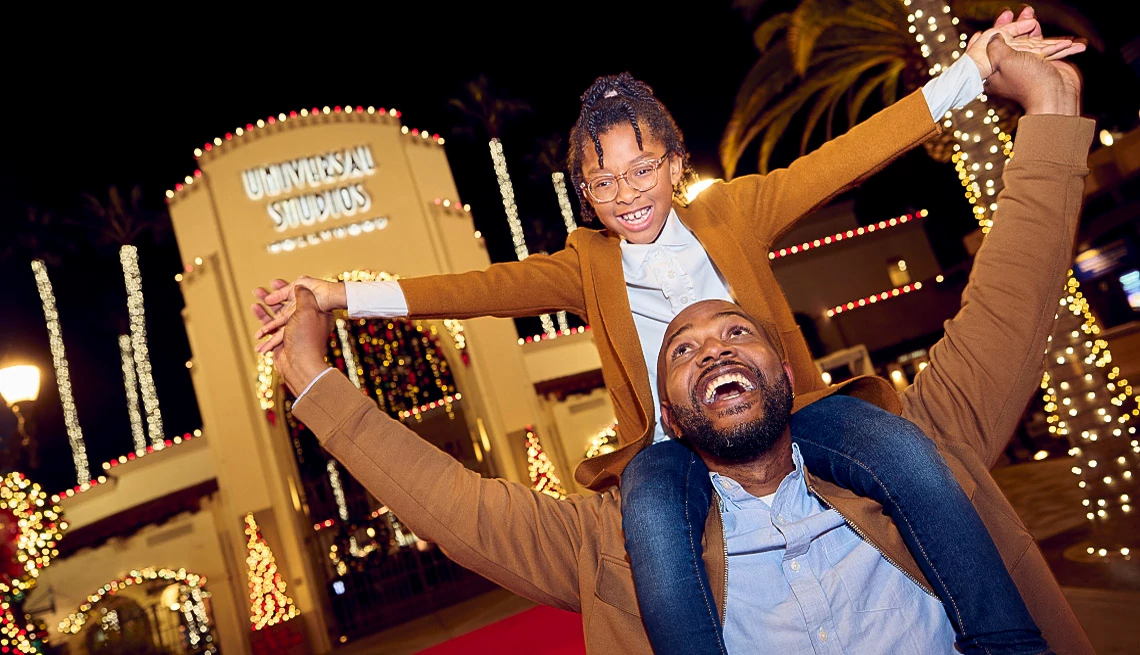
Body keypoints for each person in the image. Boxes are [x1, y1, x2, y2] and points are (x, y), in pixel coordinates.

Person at [254, 12, 1082, 655]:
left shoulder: (731, 211)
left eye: (642, 168)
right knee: (651, 531)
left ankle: (1008, 640)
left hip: (806, 414)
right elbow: (478, 289)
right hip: (664, 451)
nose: (626, 192)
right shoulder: (587, 263)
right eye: (602, 180)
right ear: (584, 191)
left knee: (908, 455)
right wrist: (342, 294)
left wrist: (975, 69)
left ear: (678, 164)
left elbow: (846, 157)